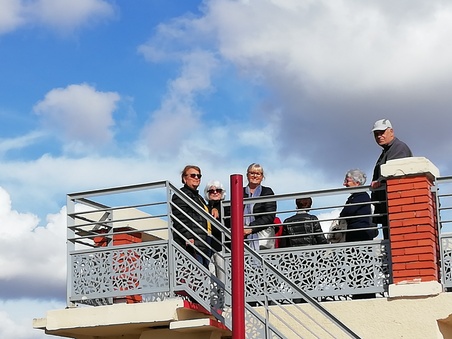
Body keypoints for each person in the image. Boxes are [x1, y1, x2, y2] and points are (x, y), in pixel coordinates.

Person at [370, 119, 412, 239]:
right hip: (388, 209)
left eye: (382, 132)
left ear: (391, 131)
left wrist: (380, 181)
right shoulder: (388, 150)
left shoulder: (399, 148)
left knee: (396, 242)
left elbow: (395, 172)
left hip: (396, 209)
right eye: (376, 134)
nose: (379, 136)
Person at [171, 165, 211, 268]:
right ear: (184, 178)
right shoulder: (181, 195)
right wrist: (188, 236)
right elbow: (180, 218)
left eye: (199, 176)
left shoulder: (199, 198)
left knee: (203, 276)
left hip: (203, 244)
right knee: (196, 275)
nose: (197, 178)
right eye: (193, 175)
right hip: (191, 244)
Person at [243, 163, 277, 251]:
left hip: (263, 238)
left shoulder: (267, 192)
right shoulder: (240, 192)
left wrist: (251, 228)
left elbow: (270, 216)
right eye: (252, 173)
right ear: (247, 175)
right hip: (242, 237)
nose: (255, 176)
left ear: (262, 177)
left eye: (258, 174)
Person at [341, 169, 376, 242]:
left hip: (360, 235)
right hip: (354, 233)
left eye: (347, 181)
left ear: (357, 183)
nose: (345, 184)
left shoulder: (362, 196)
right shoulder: (356, 197)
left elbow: (347, 212)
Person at [204, 180, 227, 281]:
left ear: (222, 193)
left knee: (222, 278)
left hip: (221, 247)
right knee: (209, 277)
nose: (215, 192)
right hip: (207, 247)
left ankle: (223, 295)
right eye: (211, 191)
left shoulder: (227, 207)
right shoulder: (204, 207)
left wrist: (217, 210)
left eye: (218, 190)